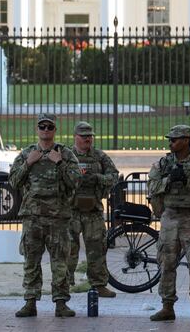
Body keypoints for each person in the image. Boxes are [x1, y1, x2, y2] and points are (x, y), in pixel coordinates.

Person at [8, 113, 81, 318]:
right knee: (31, 261)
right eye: (42, 127)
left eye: (50, 127)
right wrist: (28, 164)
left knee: (60, 262)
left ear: (55, 130)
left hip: (58, 218)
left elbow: (76, 182)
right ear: (37, 129)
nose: (46, 130)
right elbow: (13, 182)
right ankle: (30, 302)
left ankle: (61, 303)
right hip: (33, 217)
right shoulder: (27, 154)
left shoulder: (65, 154)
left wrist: (60, 163)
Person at [147, 125, 190, 323]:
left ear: (186, 140)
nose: (171, 143)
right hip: (169, 218)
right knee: (166, 263)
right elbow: (152, 185)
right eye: (170, 140)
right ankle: (167, 306)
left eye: (174, 140)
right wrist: (168, 181)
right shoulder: (163, 163)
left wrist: (188, 180)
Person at [66, 121, 119, 297]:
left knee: (97, 249)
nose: (88, 139)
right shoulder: (66, 156)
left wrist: (97, 178)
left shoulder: (99, 157)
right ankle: (64, 284)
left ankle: (98, 284)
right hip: (71, 211)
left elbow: (114, 176)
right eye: (84, 136)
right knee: (67, 249)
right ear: (76, 137)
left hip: (93, 211)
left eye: (90, 136)